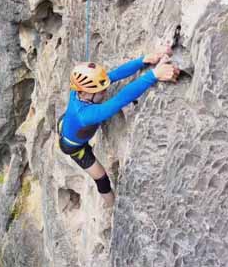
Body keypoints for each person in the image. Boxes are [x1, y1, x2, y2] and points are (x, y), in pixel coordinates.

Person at [59, 45, 179, 208]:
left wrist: (143, 60)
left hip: (69, 125)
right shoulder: (87, 115)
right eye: (100, 91)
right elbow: (121, 100)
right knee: (102, 179)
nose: (104, 92)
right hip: (74, 147)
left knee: (69, 123)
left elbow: (113, 76)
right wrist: (154, 74)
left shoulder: (78, 91)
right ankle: (112, 205)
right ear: (86, 93)